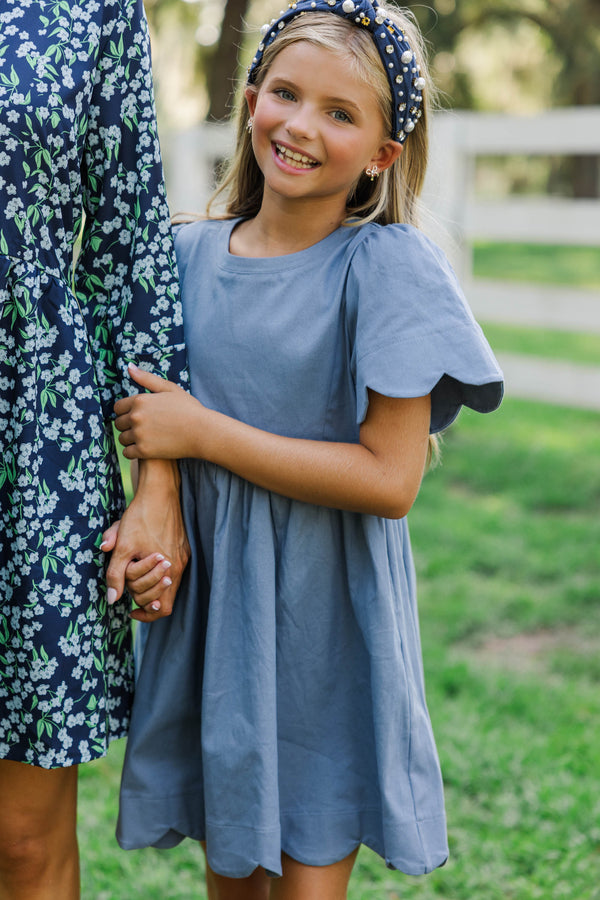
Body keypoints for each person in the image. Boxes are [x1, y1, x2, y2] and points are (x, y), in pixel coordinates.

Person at [115, 1, 504, 897]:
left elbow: (390, 479)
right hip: (216, 620)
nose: (300, 126)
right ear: (250, 98)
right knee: (232, 880)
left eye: (340, 112)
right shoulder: (182, 259)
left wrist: (204, 432)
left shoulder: (386, 267)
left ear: (381, 152)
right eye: (284, 93)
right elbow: (154, 430)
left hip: (324, 621)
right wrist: (157, 505)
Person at [0, 0, 189, 897]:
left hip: (33, 438)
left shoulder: (92, 10)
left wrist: (158, 485)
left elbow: (129, 250)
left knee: (22, 839)